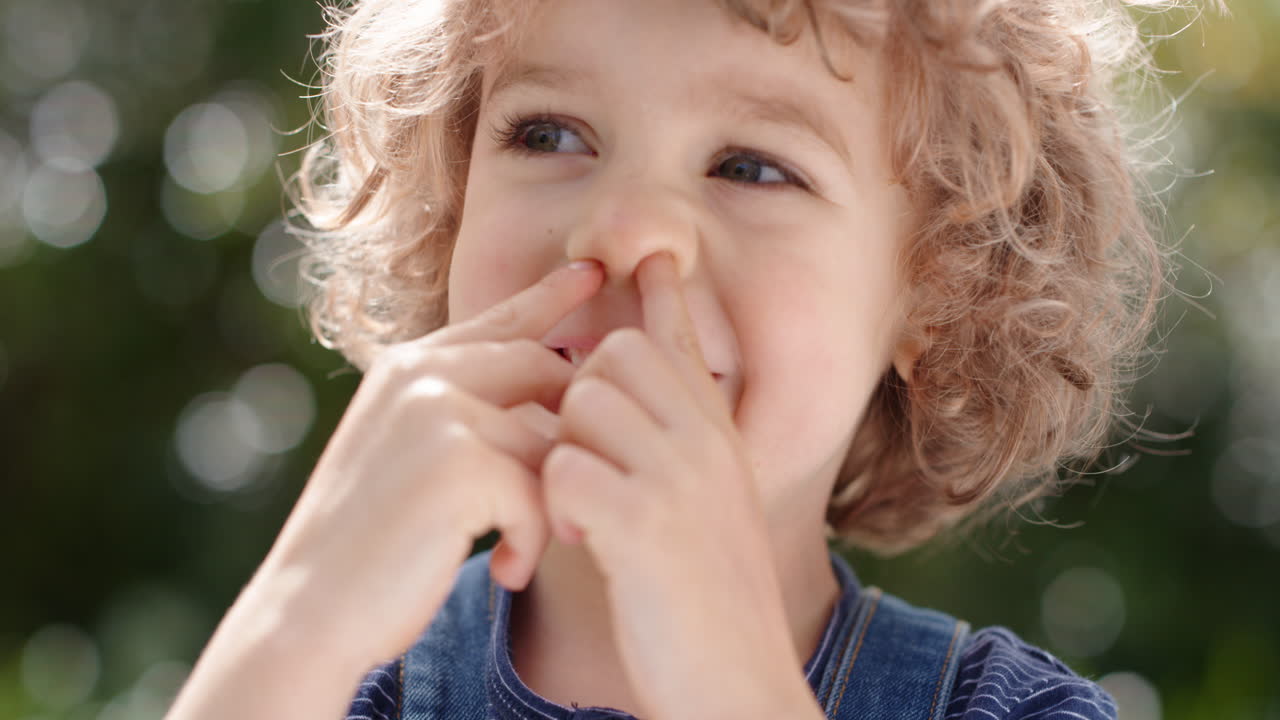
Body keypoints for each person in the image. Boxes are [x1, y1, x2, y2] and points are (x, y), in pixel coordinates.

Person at [166, 0, 1208, 718]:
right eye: (548, 133)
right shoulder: (331, 684)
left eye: (751, 166)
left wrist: (736, 688)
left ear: (939, 288)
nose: (619, 230)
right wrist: (294, 621)